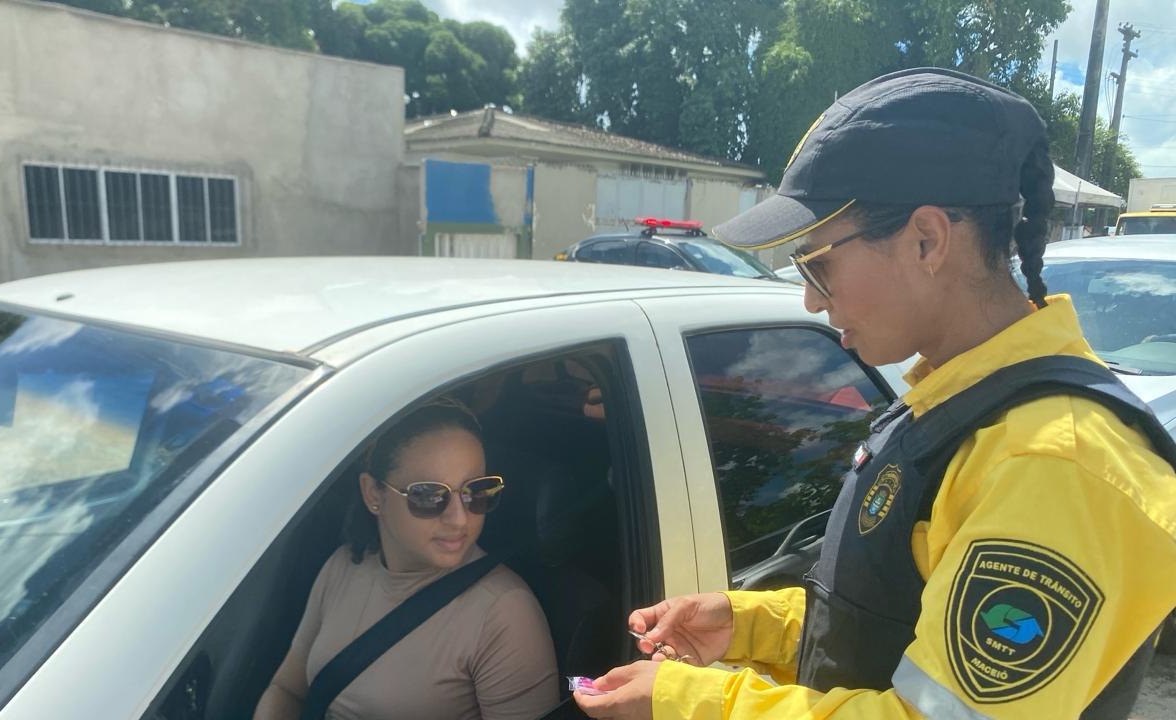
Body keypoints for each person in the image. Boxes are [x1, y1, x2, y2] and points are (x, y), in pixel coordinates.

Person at [574, 68, 1176, 719]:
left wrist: (684, 701)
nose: (810, 300)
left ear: (927, 240)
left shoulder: (1054, 467)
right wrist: (750, 625)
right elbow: (898, 620)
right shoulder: (962, 403)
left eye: (818, 264)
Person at [255, 398, 558, 720]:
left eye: (476, 491)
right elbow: (287, 689)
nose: (459, 519)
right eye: (429, 496)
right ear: (374, 494)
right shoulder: (344, 566)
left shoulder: (503, 612)